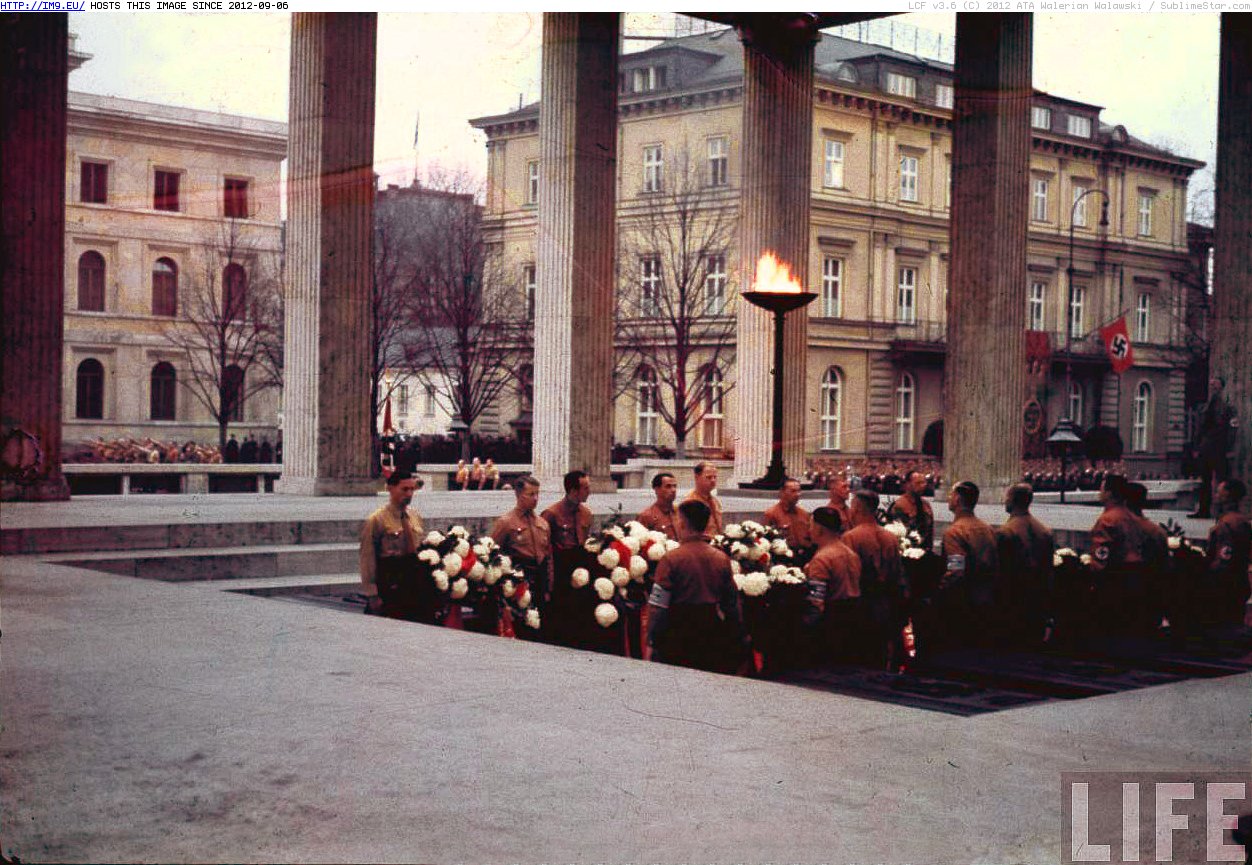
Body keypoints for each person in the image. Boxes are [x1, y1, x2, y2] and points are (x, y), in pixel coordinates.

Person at [646, 499, 745, 673]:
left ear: (682, 523)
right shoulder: (721, 558)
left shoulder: (671, 559)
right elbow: (732, 603)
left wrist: (652, 638)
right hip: (711, 631)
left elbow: (658, 607)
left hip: (677, 631)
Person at [843, 489, 908, 668]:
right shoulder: (891, 538)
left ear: (856, 509)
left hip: (863, 604)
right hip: (887, 603)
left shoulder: (851, 537)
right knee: (882, 652)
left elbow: (850, 575)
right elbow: (899, 574)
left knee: (862, 656)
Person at [359, 470, 432, 621]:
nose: (409, 494)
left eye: (412, 489)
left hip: (413, 583)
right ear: (390, 488)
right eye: (404, 489)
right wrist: (372, 594)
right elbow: (367, 558)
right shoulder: (377, 520)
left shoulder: (415, 516)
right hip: (390, 583)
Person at [1087, 474, 1154, 635]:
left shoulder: (1107, 520)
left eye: (1102, 489)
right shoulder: (1133, 518)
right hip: (1136, 577)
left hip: (1114, 580)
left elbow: (1101, 558)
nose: (1100, 492)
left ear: (1109, 493)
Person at [939, 481, 1001, 648]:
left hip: (965, 604)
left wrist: (940, 590)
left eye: (951, 494)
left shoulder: (955, 532)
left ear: (958, 499)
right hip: (987, 599)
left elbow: (956, 570)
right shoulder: (987, 528)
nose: (949, 498)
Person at [491, 475, 552, 639]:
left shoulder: (542, 523)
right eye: (531, 494)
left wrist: (548, 587)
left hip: (539, 581)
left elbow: (548, 557)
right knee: (521, 629)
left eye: (537, 494)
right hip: (518, 581)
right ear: (518, 495)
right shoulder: (506, 522)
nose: (535, 499)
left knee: (541, 629)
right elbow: (493, 554)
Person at [996, 483, 1055, 645]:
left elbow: (1002, 573)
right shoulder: (1044, 531)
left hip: (1014, 602)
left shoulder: (1006, 532)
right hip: (1037, 601)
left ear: (1012, 500)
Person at [804, 506, 863, 665]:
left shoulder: (822, 559)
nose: (809, 530)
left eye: (810, 525)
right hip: (855, 619)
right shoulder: (851, 554)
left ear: (819, 529)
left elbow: (816, 602)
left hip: (832, 623)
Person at [541, 470, 594, 648]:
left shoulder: (586, 513)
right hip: (560, 571)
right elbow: (545, 549)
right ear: (573, 491)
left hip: (581, 567)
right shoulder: (551, 514)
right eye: (585, 488)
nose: (589, 491)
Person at [1191, 376, 1237, 518]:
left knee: (1223, 480)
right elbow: (1198, 429)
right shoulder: (1204, 408)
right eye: (1211, 386)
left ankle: (1225, 510)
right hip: (1206, 448)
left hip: (1220, 448)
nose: (1213, 389)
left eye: (1216, 386)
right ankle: (1204, 510)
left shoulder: (1228, 409)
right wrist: (1196, 447)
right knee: (1204, 480)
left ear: (1221, 388)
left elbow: (1232, 429)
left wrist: (1230, 449)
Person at [1207, 479, 1252, 626]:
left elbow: (1224, 558)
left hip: (1225, 584)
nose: (1216, 495)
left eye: (1219, 491)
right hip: (1240, 580)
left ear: (1227, 494)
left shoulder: (1226, 524)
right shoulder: (1242, 521)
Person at [763, 477, 815, 562]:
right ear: (782, 492)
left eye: (799, 491)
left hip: (805, 557)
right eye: (793, 491)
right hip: (784, 559)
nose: (798, 494)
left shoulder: (804, 514)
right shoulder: (771, 514)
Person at [888, 470, 934, 551]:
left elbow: (930, 533)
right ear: (908, 484)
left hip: (925, 552)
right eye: (918, 483)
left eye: (924, 483)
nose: (923, 486)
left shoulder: (926, 505)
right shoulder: (900, 505)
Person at [683, 461, 724, 536]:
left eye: (715, 477)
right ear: (697, 478)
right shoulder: (691, 502)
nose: (713, 480)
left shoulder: (715, 502)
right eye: (709, 477)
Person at [637, 472, 680, 541]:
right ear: (657, 489)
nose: (673, 490)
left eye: (675, 486)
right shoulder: (646, 516)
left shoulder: (681, 512)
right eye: (668, 486)